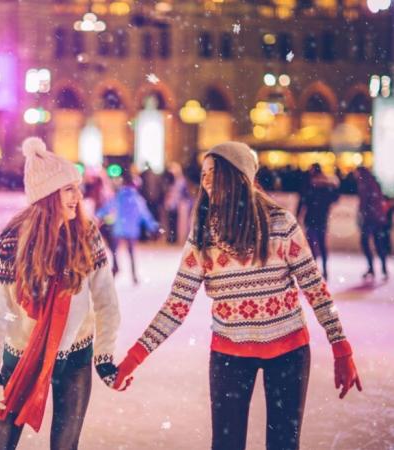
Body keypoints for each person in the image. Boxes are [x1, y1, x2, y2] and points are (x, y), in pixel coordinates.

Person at [113, 142, 362, 450]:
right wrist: (133, 358)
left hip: (288, 352)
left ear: (238, 175)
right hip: (230, 357)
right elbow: (176, 305)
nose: (205, 180)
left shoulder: (281, 224)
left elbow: (314, 286)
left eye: (214, 172)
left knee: (283, 444)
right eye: (203, 173)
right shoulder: (203, 236)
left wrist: (340, 345)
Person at [0, 137, 121, 450]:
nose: (78, 196)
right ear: (47, 195)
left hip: (75, 356)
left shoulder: (86, 234)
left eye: (77, 187)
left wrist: (105, 353)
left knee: (65, 446)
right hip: (21, 355)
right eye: (68, 189)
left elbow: (106, 300)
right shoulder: (12, 240)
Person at [96, 170, 158, 284]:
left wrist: (97, 216)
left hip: (119, 227)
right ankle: (133, 274)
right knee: (131, 252)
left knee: (114, 249)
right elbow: (145, 214)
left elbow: (107, 207)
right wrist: (153, 226)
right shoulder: (137, 199)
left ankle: (115, 267)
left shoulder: (119, 196)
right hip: (131, 229)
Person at [296, 163, 340, 280]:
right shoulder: (325, 186)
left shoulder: (310, 185)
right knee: (321, 245)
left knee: (313, 246)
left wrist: (298, 215)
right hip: (320, 219)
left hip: (312, 219)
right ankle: (323, 270)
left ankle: (316, 270)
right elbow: (335, 198)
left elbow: (303, 201)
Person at [353, 167, 389, 281]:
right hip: (374, 219)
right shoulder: (369, 183)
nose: (355, 175)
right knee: (375, 243)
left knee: (371, 243)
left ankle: (377, 268)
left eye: (357, 173)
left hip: (372, 219)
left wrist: (363, 215)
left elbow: (368, 203)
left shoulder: (367, 184)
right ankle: (378, 268)